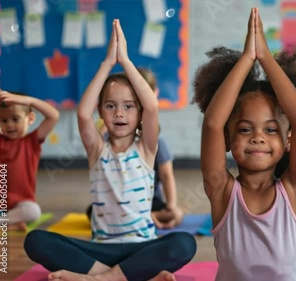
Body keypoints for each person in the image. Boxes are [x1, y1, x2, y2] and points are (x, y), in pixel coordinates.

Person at [23, 19, 196, 281]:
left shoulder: (147, 149)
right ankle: (125, 275)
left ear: (139, 115)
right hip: (100, 248)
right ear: (101, 112)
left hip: (142, 246)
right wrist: (107, 64)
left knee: (185, 243)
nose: (119, 113)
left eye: (128, 106)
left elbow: (151, 106)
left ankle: (101, 278)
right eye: (110, 106)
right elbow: (83, 114)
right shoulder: (96, 150)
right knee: (35, 240)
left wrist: (125, 61)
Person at [192, 8, 296, 280]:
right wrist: (247, 59)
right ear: (227, 139)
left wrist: (265, 57)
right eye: (245, 128)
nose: (258, 137)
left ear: (288, 141)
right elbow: (213, 123)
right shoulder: (221, 191)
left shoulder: (295, 190)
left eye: (270, 129)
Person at [87, 67, 184, 229]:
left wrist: (172, 206)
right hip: (116, 201)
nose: (120, 112)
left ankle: (147, 215)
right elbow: (91, 134)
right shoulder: (103, 141)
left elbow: (167, 175)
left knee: (173, 214)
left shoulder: (154, 142)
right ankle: (145, 217)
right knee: (93, 211)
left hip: (150, 201)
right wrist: (107, 123)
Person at [0, 75, 60, 231]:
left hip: (20, 205)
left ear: (30, 118)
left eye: (15, 119)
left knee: (33, 211)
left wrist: (29, 101)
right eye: (4, 120)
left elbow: (53, 116)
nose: (9, 125)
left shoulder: (31, 142)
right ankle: (8, 224)